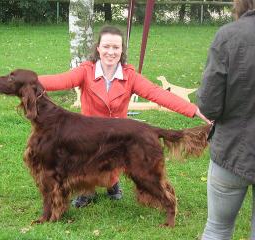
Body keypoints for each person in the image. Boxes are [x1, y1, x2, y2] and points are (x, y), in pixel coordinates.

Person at [38, 25, 210, 208]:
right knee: (83, 159)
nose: (110, 52)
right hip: (88, 136)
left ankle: (112, 183)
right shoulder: (86, 71)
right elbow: (60, 80)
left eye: (115, 47)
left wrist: (193, 110)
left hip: (116, 137)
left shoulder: (130, 76)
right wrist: (26, 81)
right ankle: (86, 191)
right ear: (98, 48)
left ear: (121, 50)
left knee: (121, 153)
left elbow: (158, 93)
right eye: (106, 47)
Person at [196, 0, 255, 238]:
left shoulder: (229, 35)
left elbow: (209, 105)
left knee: (218, 228)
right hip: (234, 150)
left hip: (232, 149)